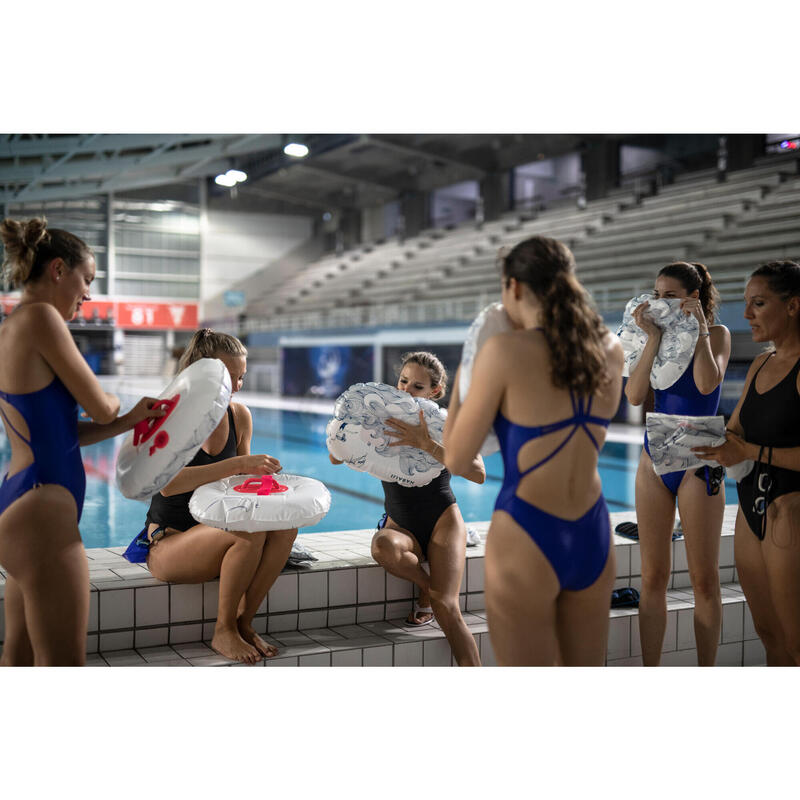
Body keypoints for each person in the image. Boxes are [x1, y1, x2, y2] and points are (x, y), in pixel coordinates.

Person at [443, 236, 623, 666]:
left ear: (514, 287)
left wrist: (468, 369)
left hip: (528, 532)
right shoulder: (611, 350)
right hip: (593, 531)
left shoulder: (504, 351)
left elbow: (455, 456)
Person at [0, 217, 162, 666]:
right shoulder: (41, 318)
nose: (88, 294)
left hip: (22, 502)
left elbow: (61, 433)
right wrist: (117, 407)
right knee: (64, 666)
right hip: (43, 514)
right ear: (57, 270)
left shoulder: (14, 325)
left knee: (19, 657)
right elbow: (102, 405)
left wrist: (130, 420)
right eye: (85, 280)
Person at [127, 328, 297, 664]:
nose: (236, 386)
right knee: (247, 533)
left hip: (217, 535)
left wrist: (261, 479)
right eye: (229, 377)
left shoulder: (238, 416)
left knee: (286, 526)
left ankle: (244, 623)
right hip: (170, 543)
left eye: (241, 377)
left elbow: (240, 483)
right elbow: (168, 484)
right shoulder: (169, 415)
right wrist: (238, 464)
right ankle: (223, 631)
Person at [329, 352, 483, 666]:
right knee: (382, 546)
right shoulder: (381, 413)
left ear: (434, 392)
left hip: (443, 519)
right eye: (403, 381)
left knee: (448, 608)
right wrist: (348, 432)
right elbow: (336, 457)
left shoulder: (447, 422)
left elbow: (478, 473)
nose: (406, 390)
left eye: (417, 386)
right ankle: (429, 588)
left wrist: (426, 443)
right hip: (400, 524)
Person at [693, 261, 800, 665]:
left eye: (758, 303)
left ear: (793, 306)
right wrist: (687, 437)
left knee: (796, 643)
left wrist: (751, 453)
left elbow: (746, 448)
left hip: (789, 511)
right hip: (750, 513)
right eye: (746, 303)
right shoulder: (761, 363)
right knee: (769, 637)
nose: (747, 315)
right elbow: (734, 432)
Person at [624, 262, 730, 666]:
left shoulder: (717, 334)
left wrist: (700, 327)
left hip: (700, 456)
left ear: (694, 297)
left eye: (670, 295)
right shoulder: (654, 337)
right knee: (652, 578)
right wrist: (652, 336)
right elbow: (634, 395)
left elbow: (706, 384)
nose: (660, 302)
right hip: (655, 455)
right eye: (656, 294)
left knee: (704, 580)